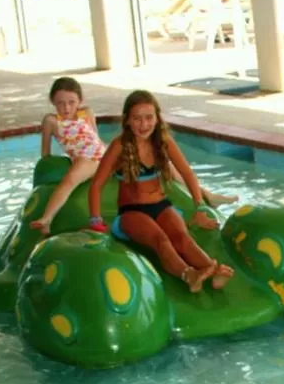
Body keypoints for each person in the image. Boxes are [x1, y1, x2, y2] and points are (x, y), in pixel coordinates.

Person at [87, 90, 234, 293]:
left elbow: (187, 173)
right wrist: (95, 221)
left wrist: (199, 206)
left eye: (149, 118)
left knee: (182, 238)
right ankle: (188, 274)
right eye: (137, 118)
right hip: (132, 211)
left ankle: (212, 269)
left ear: (157, 118)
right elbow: (97, 184)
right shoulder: (120, 146)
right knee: (161, 240)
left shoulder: (163, 142)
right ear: (127, 121)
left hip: (161, 205)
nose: (143, 124)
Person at [30, 77, 107, 234]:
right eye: (60, 103)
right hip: (86, 159)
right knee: (69, 180)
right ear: (52, 101)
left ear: (80, 100)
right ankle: (47, 218)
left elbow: (95, 137)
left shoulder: (87, 113)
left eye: (72, 102)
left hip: (105, 154)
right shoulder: (51, 120)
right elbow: (45, 152)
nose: (66, 108)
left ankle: (172, 174)